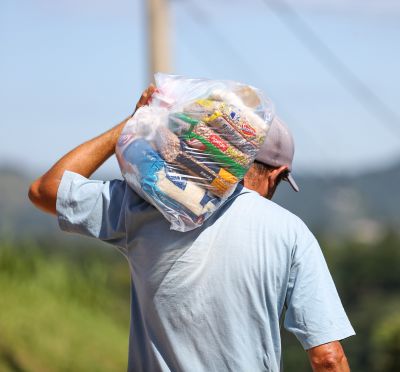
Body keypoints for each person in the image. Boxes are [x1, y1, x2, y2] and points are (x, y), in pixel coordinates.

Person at [28, 86, 355, 371]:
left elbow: (45, 190)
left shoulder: (149, 205)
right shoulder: (291, 232)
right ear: (278, 173)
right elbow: (327, 357)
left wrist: (132, 122)